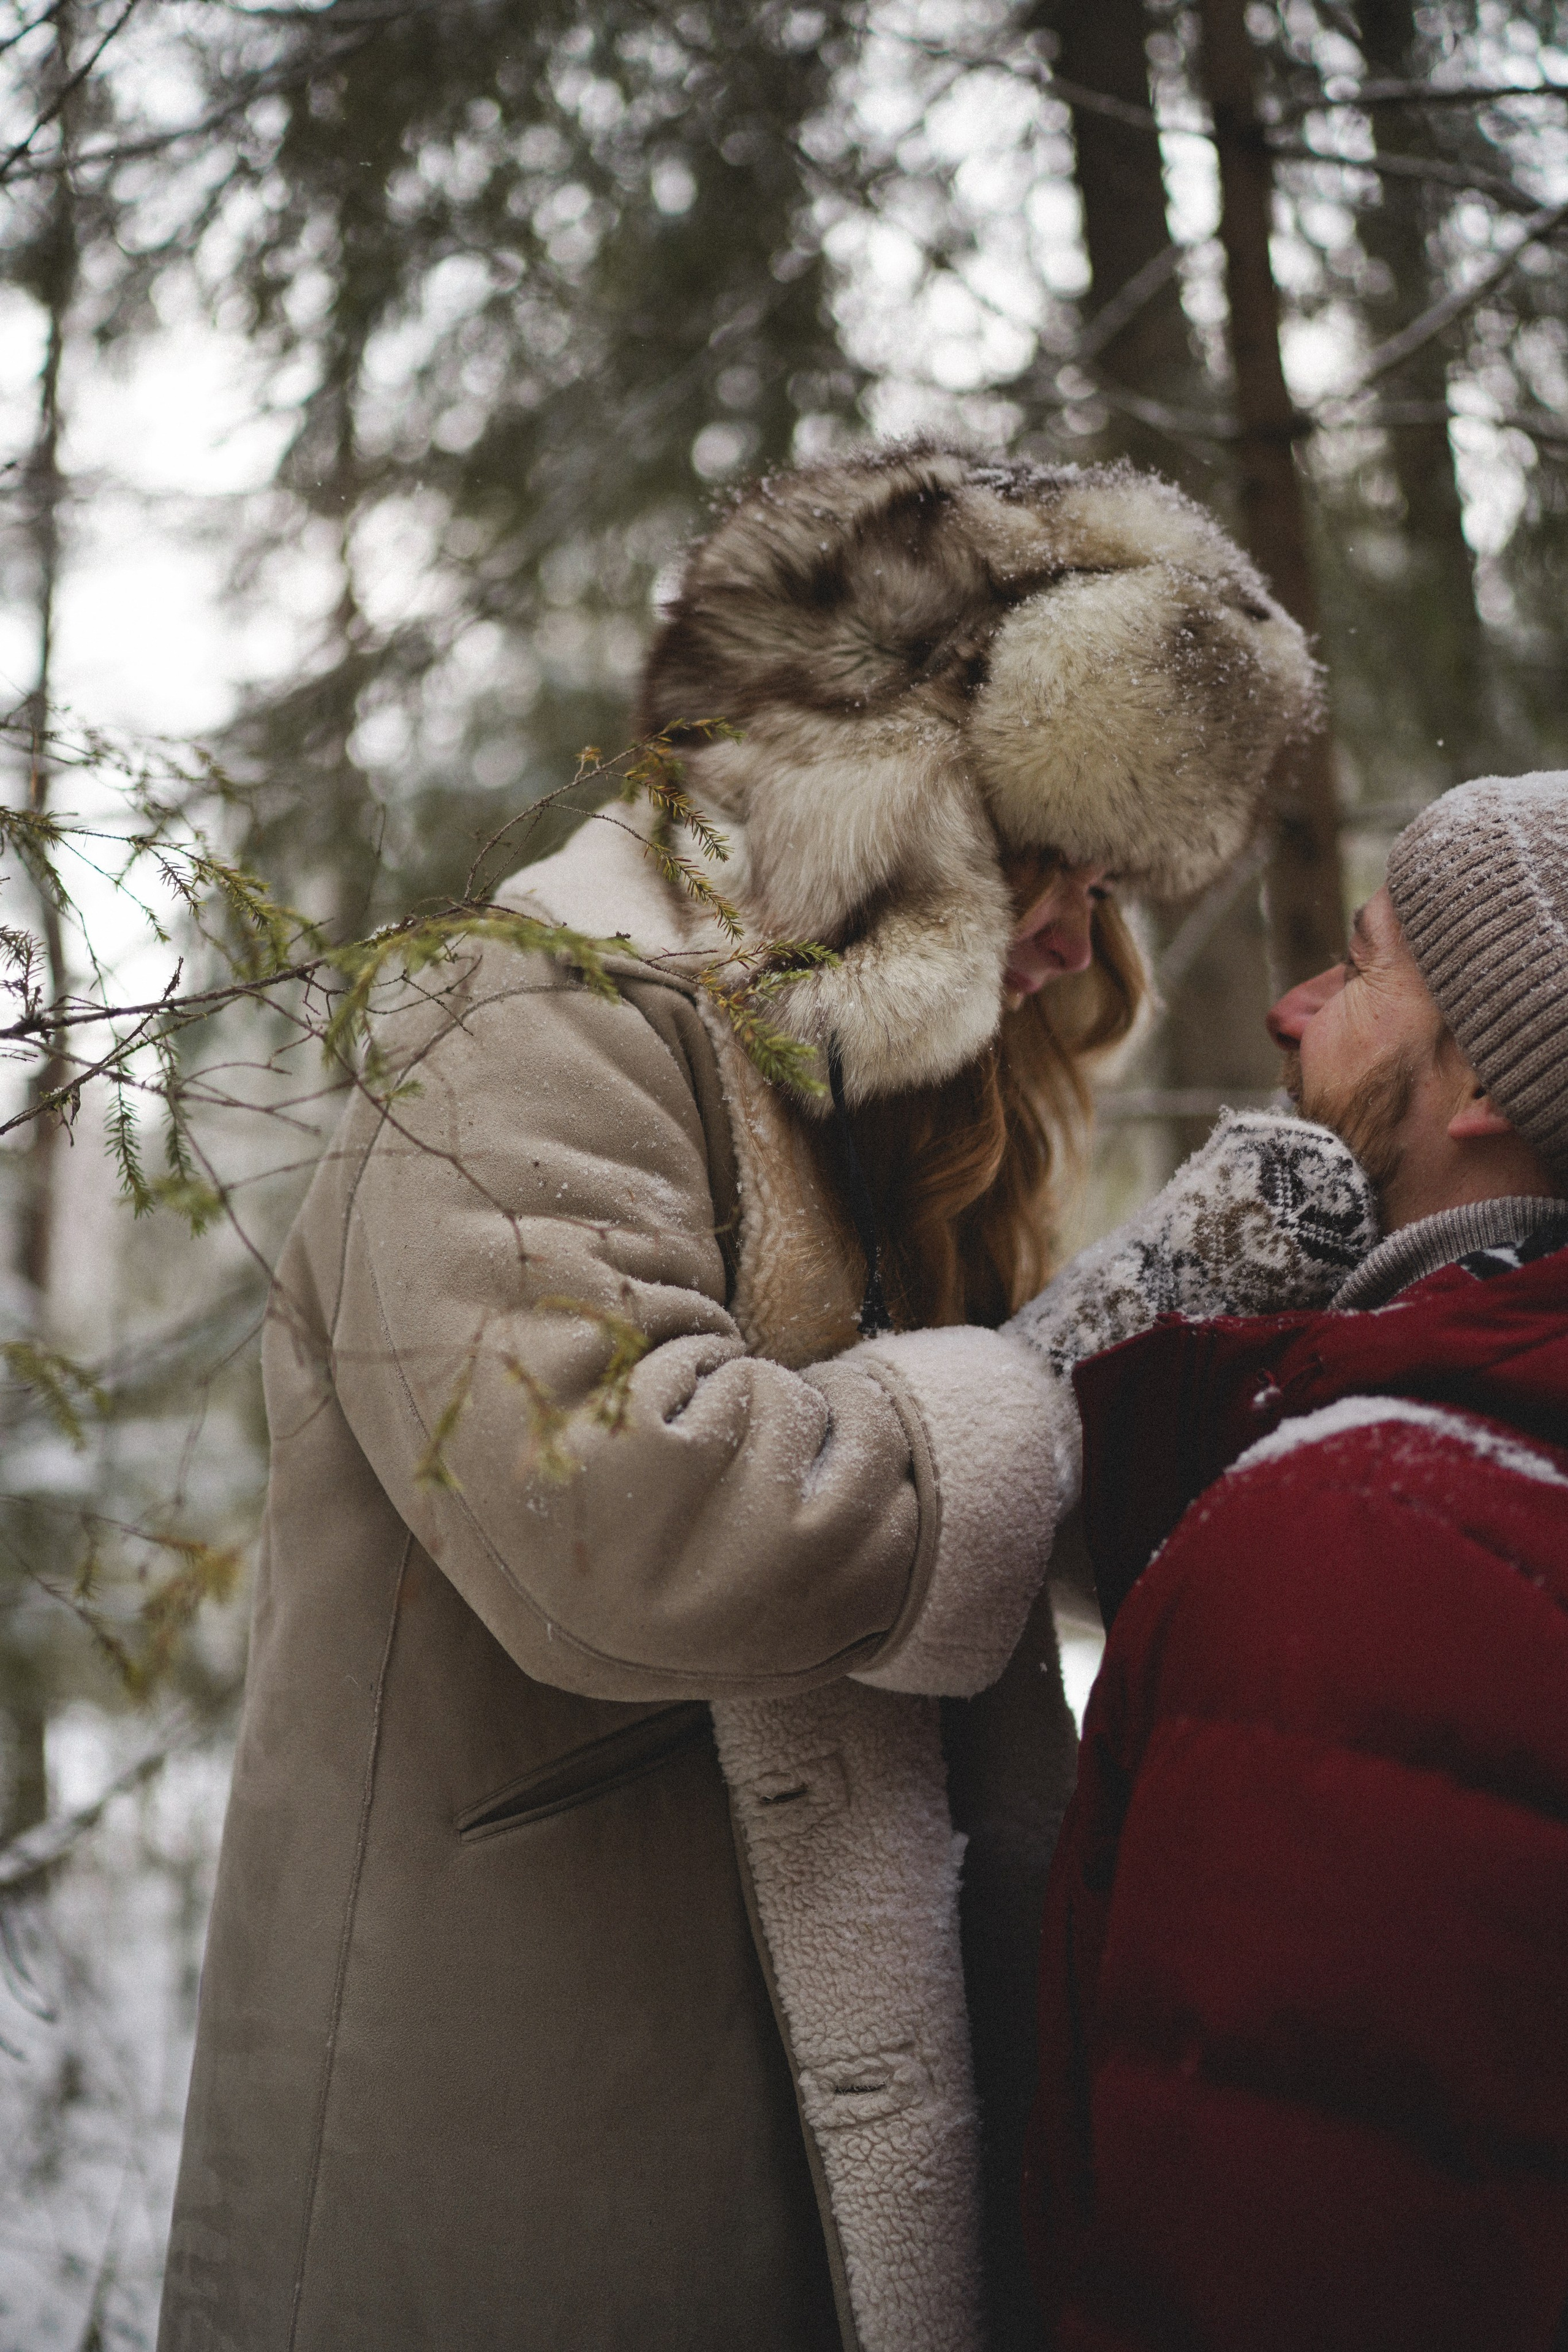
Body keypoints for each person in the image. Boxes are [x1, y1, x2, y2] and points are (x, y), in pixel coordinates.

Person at [158, 443, 1361, 2352]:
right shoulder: (519, 1009)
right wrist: (1040, 1395)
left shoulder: (869, 1098)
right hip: (544, 2119)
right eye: (1052, 851)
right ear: (884, 784)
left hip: (812, 2093)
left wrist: (1165, 1360)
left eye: (1116, 874)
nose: (1082, 932)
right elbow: (620, 1507)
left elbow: (934, 1521)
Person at [1021, 773, 1568, 2352]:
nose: (1289, 1006)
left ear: (1482, 1086)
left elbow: (1280, 2220)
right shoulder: (1458, 1455)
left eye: (1362, 960)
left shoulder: (1364, 1530)